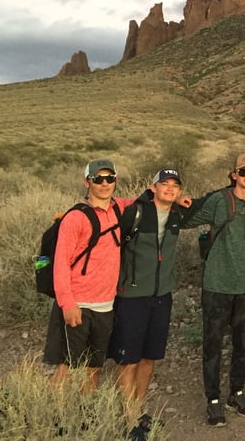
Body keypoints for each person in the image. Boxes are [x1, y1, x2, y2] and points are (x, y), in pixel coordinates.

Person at [110, 168, 202, 437]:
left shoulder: (177, 214)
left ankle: (139, 412)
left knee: (150, 358)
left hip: (162, 296)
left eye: (175, 185)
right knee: (129, 360)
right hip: (131, 297)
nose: (170, 189)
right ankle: (128, 420)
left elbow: (209, 202)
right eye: (165, 184)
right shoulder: (135, 213)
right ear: (153, 188)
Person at [183, 153, 245, 427]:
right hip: (217, 285)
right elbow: (186, 218)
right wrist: (170, 198)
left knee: (242, 345)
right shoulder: (219, 200)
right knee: (213, 345)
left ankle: (237, 393)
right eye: (242, 171)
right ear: (233, 174)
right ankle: (213, 399)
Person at [43, 159, 135, 394]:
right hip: (78, 304)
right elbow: (61, 264)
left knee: (94, 366)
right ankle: (49, 417)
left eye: (110, 179)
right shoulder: (75, 218)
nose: (105, 184)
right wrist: (67, 304)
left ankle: (87, 417)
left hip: (105, 305)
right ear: (87, 182)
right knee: (67, 366)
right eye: (98, 179)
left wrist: (172, 196)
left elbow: (146, 201)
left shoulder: (118, 208)